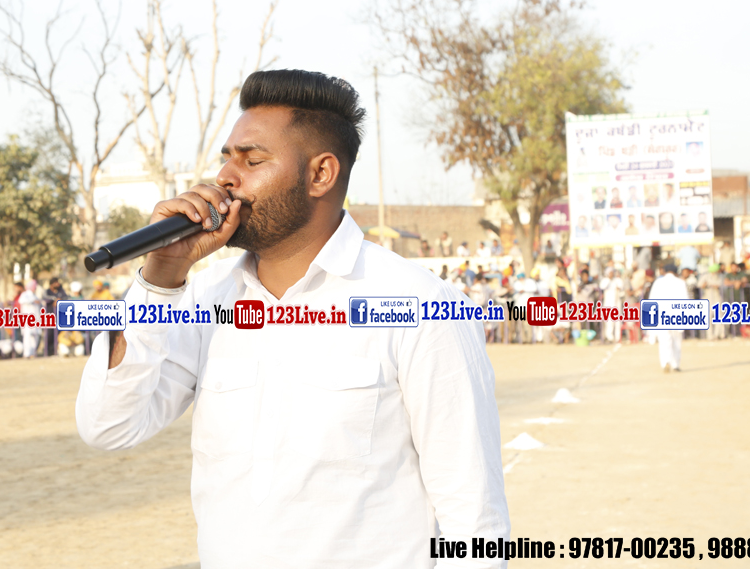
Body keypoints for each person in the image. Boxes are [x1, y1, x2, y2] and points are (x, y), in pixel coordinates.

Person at [75, 69, 509, 567]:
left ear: (320, 174)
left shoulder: (419, 303)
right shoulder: (205, 301)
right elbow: (108, 425)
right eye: (227, 158)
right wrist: (160, 277)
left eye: (252, 159)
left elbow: (473, 520)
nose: (225, 178)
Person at [647, 262, 687, 372]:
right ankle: (676, 364)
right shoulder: (681, 283)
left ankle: (665, 362)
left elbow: (651, 300)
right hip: (676, 315)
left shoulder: (658, 282)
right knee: (676, 341)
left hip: (662, 315)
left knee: (664, 341)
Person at [18, 280, 43, 358]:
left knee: (35, 336)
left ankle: (33, 353)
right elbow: (21, 301)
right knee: (27, 336)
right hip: (27, 319)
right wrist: (32, 300)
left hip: (36, 319)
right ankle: (27, 353)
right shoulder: (25, 294)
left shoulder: (35, 295)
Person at [699, 264, 725, 340]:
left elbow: (720, 285)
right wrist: (705, 284)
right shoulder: (705, 276)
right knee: (708, 317)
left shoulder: (720, 277)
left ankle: (717, 334)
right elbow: (700, 284)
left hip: (717, 298)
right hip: (707, 298)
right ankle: (709, 336)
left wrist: (711, 284)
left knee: (718, 316)